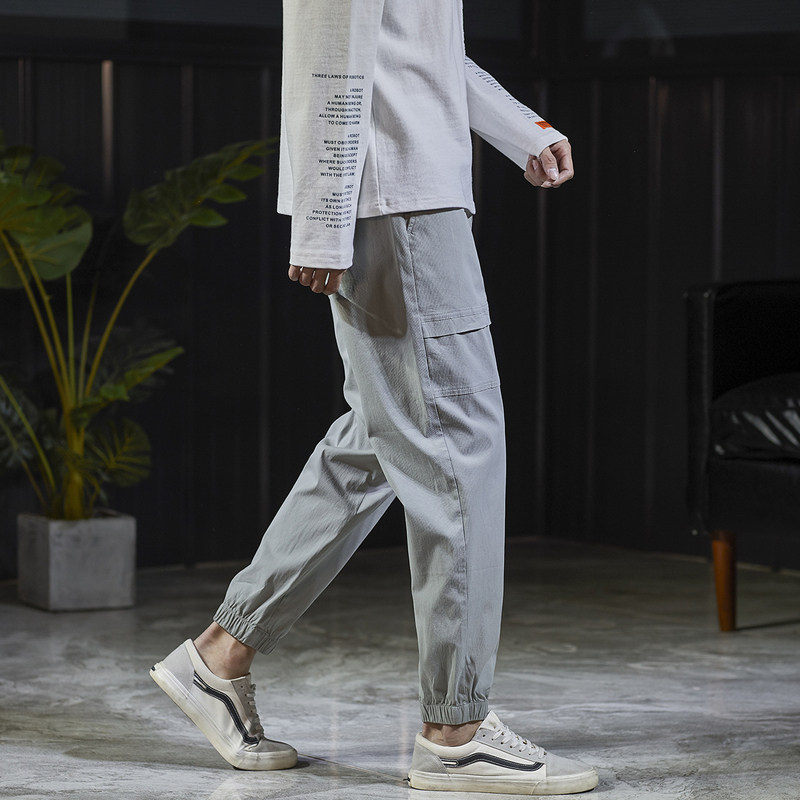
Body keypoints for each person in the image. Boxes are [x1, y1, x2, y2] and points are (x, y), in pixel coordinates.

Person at [150, 0, 598, 795]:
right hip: (398, 206)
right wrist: (322, 223)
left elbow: (418, 50)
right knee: (456, 444)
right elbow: (328, 60)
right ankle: (457, 734)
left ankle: (220, 656)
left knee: (382, 439)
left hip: (409, 196)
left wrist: (519, 128)